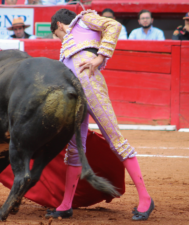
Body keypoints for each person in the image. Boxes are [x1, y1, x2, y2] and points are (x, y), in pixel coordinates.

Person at [46, 8, 154, 221]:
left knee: (117, 141)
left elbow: (113, 25)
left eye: (56, 35)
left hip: (91, 85)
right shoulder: (64, 51)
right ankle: (66, 204)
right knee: (75, 150)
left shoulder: (84, 20)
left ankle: (146, 199)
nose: (58, 40)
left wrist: (99, 57)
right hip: (73, 96)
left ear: (58, 25)